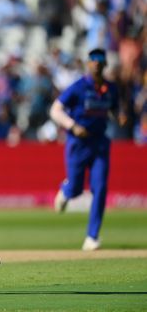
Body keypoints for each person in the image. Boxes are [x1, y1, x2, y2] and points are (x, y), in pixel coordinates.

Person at [50, 48, 119, 251]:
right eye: (93, 60)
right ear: (88, 64)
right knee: (77, 189)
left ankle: (92, 236)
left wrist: (120, 115)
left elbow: (114, 108)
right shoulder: (78, 87)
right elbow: (55, 110)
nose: (96, 63)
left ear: (104, 64)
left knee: (100, 188)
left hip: (100, 143)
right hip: (78, 144)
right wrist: (72, 126)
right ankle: (66, 190)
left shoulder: (111, 88)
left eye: (100, 60)